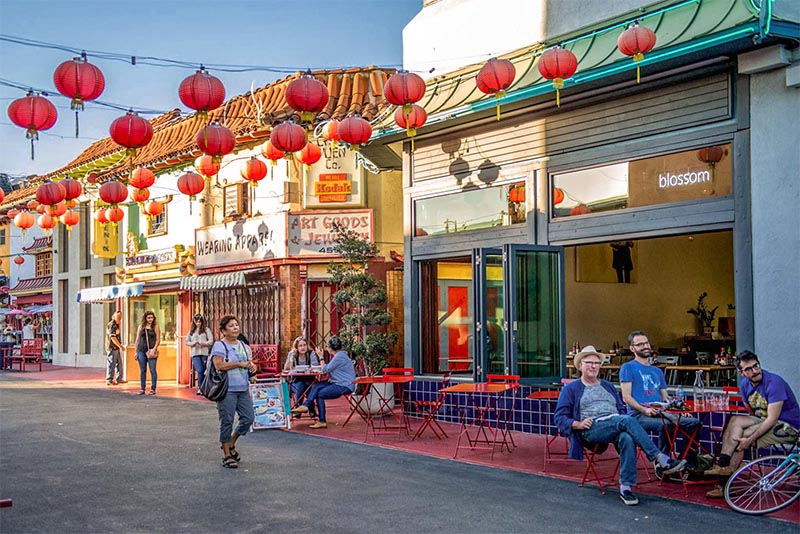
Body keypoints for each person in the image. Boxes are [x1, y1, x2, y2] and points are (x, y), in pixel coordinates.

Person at [554, 346, 687, 506]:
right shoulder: (571, 388)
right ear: (581, 365)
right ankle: (660, 458)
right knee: (626, 420)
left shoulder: (608, 386)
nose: (594, 366)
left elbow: (621, 408)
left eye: (597, 363)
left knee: (626, 438)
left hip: (616, 423)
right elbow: (559, 418)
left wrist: (618, 418)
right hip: (592, 428)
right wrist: (578, 424)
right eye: (589, 363)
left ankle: (626, 488)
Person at [704, 350, 799, 498]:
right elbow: (752, 413)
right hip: (764, 420)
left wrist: (751, 439)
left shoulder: (774, 383)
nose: (755, 371)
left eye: (756, 366)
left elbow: (772, 419)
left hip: (788, 426)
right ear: (741, 372)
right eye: (749, 369)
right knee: (735, 420)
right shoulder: (744, 385)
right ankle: (724, 465)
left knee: (742, 436)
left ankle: (724, 484)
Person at [620, 330, 701, 474]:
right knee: (668, 425)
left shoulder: (657, 371)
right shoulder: (628, 367)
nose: (645, 346)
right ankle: (662, 463)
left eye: (646, 343)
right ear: (632, 348)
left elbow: (665, 397)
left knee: (694, 423)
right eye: (640, 344)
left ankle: (684, 463)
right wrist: (644, 410)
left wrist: (679, 411)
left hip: (661, 412)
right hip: (638, 415)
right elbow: (626, 397)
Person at [211, 315, 257, 469]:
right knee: (227, 420)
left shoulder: (243, 345)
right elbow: (219, 365)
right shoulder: (219, 346)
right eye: (231, 326)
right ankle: (226, 454)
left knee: (248, 417)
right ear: (223, 330)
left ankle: (231, 442)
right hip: (227, 389)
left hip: (242, 387)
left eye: (236, 325)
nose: (235, 328)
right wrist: (239, 363)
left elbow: (249, 362)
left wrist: (252, 367)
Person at [290, 336, 356, 429]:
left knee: (319, 394)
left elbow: (325, 369)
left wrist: (321, 357)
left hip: (343, 385)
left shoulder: (339, 357)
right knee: (316, 385)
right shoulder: (340, 355)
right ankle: (306, 406)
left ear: (330, 348)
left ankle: (321, 421)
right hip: (337, 382)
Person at [283, 336, 321, 416]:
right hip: (295, 381)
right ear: (296, 347)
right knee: (300, 385)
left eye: (304, 345)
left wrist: (310, 368)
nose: (303, 347)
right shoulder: (292, 354)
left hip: (309, 379)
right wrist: (292, 357)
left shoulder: (311, 353)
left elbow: (315, 366)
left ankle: (303, 408)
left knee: (308, 385)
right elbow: (286, 368)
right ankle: (306, 407)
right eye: (300, 346)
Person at [185, 314, 214, 395]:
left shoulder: (206, 330)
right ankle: (201, 387)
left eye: (199, 322)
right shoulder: (191, 331)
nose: (198, 324)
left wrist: (204, 343)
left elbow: (211, 340)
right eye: (196, 322)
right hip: (195, 353)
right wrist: (193, 343)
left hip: (204, 352)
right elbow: (186, 342)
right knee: (199, 370)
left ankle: (204, 388)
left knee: (204, 370)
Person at [134, 310, 160, 395]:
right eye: (148, 318)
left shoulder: (155, 327)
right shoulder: (141, 327)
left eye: (152, 318)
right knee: (143, 370)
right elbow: (137, 339)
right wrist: (135, 351)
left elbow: (158, 340)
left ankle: (153, 388)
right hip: (141, 350)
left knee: (152, 369)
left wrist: (154, 349)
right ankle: (142, 388)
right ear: (145, 318)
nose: (150, 319)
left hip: (151, 351)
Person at [105, 311, 124, 386]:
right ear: (113, 316)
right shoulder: (112, 325)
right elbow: (113, 337)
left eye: (120, 317)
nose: (119, 319)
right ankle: (109, 379)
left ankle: (119, 378)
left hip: (116, 347)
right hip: (112, 347)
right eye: (118, 317)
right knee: (111, 363)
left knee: (118, 363)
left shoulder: (116, 324)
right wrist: (120, 346)